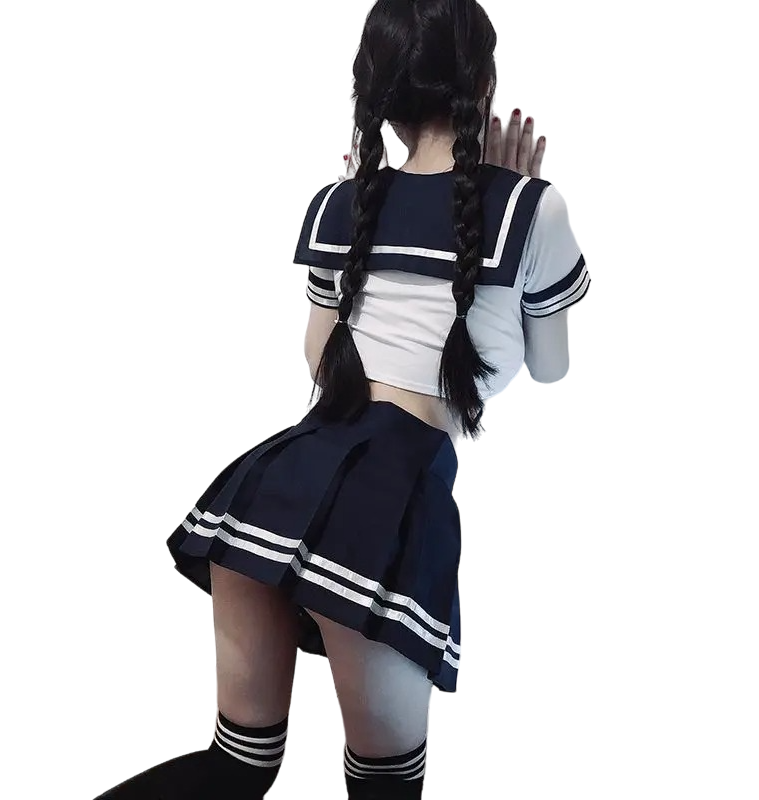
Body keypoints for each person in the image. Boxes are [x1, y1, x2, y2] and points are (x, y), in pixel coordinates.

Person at [93, 0, 590, 798]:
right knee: (384, 788)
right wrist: (518, 199)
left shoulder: (338, 202)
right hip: (384, 513)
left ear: (378, 93)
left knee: (236, 765)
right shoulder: (534, 210)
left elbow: (321, 361)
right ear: (483, 84)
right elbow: (552, 369)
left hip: (272, 485)